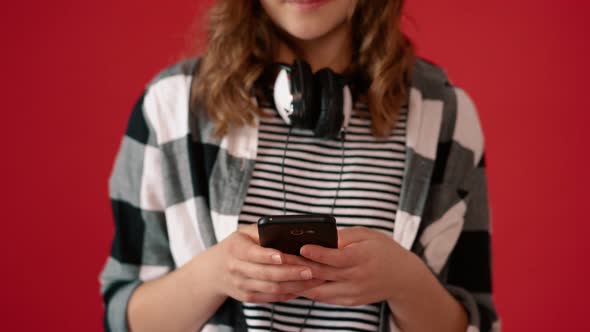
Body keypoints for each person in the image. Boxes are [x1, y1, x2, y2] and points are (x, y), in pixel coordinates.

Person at [99, 0, 500, 331]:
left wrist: (404, 282)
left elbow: (477, 321)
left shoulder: (445, 114)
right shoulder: (170, 107)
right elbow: (124, 317)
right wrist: (214, 274)